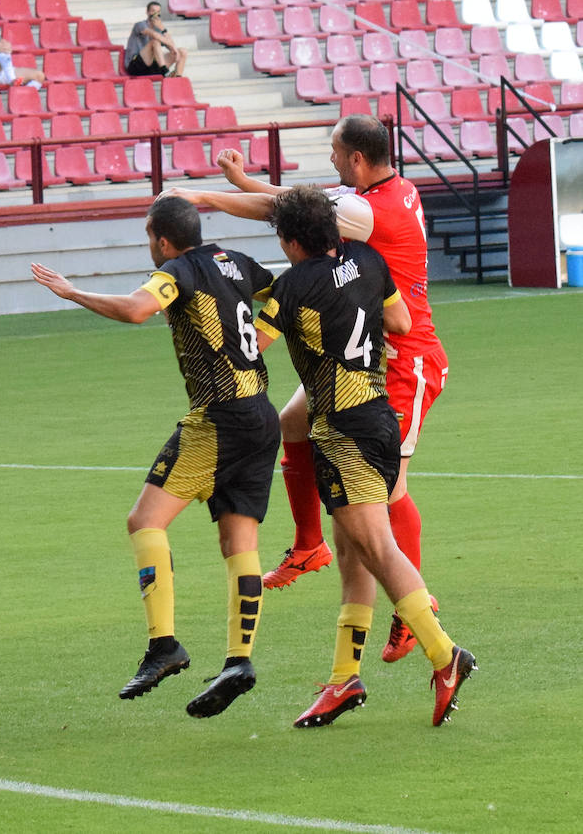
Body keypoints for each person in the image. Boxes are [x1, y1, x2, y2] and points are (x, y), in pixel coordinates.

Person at [167, 114, 449, 664]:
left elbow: (288, 211)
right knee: (292, 422)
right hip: (369, 348)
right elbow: (303, 205)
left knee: (390, 495)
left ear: (359, 160)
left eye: (336, 152)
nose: (331, 160)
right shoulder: (388, 188)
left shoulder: (367, 209)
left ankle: (415, 612)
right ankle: (308, 545)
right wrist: (242, 183)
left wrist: (205, 197)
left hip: (401, 360)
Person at [31, 195, 279, 719]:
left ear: (162, 240)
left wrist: (72, 292)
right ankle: (239, 659)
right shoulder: (234, 260)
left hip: (218, 417)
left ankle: (164, 644)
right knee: (239, 539)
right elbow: (289, 291)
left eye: (149, 238)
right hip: (262, 414)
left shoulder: (177, 270)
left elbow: (137, 309)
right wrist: (268, 331)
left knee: (145, 521)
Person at [251, 186, 474, 728]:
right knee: (352, 558)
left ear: (290, 240)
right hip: (377, 414)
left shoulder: (293, 285)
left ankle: (447, 658)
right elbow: (399, 324)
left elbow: (254, 345)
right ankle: (342, 680)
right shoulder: (369, 259)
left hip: (341, 431)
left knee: (375, 547)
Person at [125, 1, 186, 78]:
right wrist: (173, 47)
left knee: (183, 51)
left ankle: (177, 78)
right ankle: (166, 73)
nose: (155, 14)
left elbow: (170, 44)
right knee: (155, 42)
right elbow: (154, 35)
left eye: (158, 12)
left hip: (153, 66)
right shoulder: (140, 25)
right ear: (147, 12)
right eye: (153, 11)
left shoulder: (159, 29)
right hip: (136, 66)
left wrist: (163, 29)